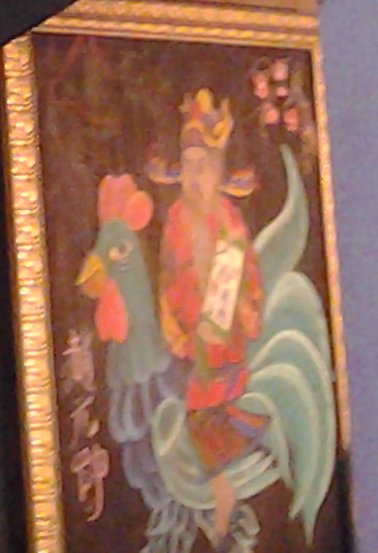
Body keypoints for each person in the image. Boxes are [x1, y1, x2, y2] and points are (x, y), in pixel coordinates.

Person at [155, 90, 265, 541]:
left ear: (219, 170)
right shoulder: (176, 219)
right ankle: (219, 511)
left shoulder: (230, 221)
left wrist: (245, 307)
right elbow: (166, 277)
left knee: (215, 431)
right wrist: (172, 326)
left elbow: (249, 281)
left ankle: (225, 512)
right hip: (188, 347)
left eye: (203, 166)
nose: (194, 176)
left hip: (224, 349)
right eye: (189, 165)